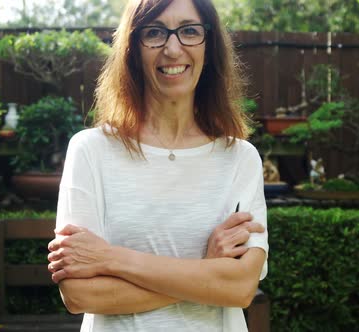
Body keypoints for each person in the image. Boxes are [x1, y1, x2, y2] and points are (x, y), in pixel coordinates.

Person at [47, 0, 268, 331]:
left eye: (190, 31)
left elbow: (240, 288)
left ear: (210, 46)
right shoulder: (90, 152)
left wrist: (110, 259)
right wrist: (207, 271)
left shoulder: (241, 159)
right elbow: (80, 294)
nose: (173, 48)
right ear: (133, 48)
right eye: (155, 33)